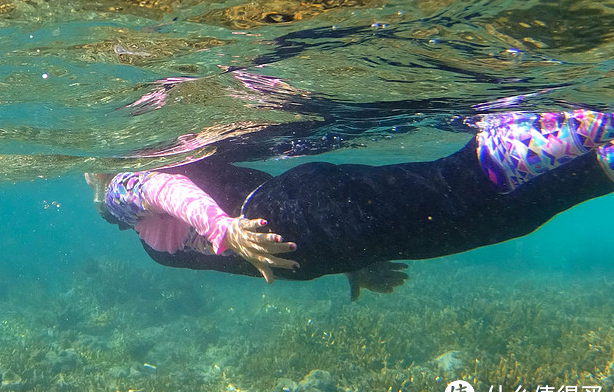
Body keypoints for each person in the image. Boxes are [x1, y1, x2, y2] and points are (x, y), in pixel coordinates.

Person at [87, 110, 614, 299]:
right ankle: (599, 167)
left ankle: (584, 124)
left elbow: (156, 189)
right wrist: (354, 264)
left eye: (92, 172)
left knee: (456, 188)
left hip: (291, 208)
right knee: (497, 219)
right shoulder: (145, 236)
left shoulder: (118, 197)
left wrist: (226, 230)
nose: (90, 180)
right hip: (325, 241)